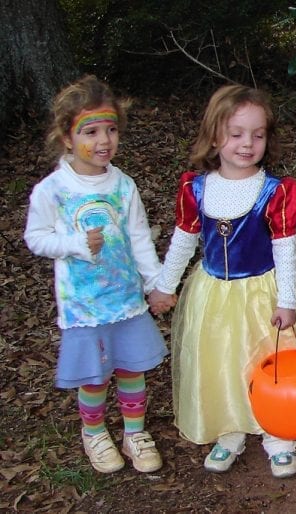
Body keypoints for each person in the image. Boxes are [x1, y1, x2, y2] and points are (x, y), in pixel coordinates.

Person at [150, 85, 296, 478]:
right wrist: (166, 285)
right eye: (236, 134)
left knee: (270, 361)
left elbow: (286, 249)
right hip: (212, 293)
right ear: (215, 137)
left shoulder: (275, 191)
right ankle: (230, 429)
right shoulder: (196, 188)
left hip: (262, 294)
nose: (247, 144)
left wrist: (287, 299)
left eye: (258, 134)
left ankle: (278, 431)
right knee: (221, 360)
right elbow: (183, 241)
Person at [24, 75, 168, 474]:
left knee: (131, 367)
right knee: (95, 375)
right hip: (84, 305)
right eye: (90, 132)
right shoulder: (53, 190)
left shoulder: (123, 186)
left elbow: (140, 238)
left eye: (110, 130)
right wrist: (72, 243)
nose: (103, 141)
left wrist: (155, 283)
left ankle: (134, 432)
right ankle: (94, 433)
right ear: (67, 138)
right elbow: (36, 238)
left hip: (126, 300)